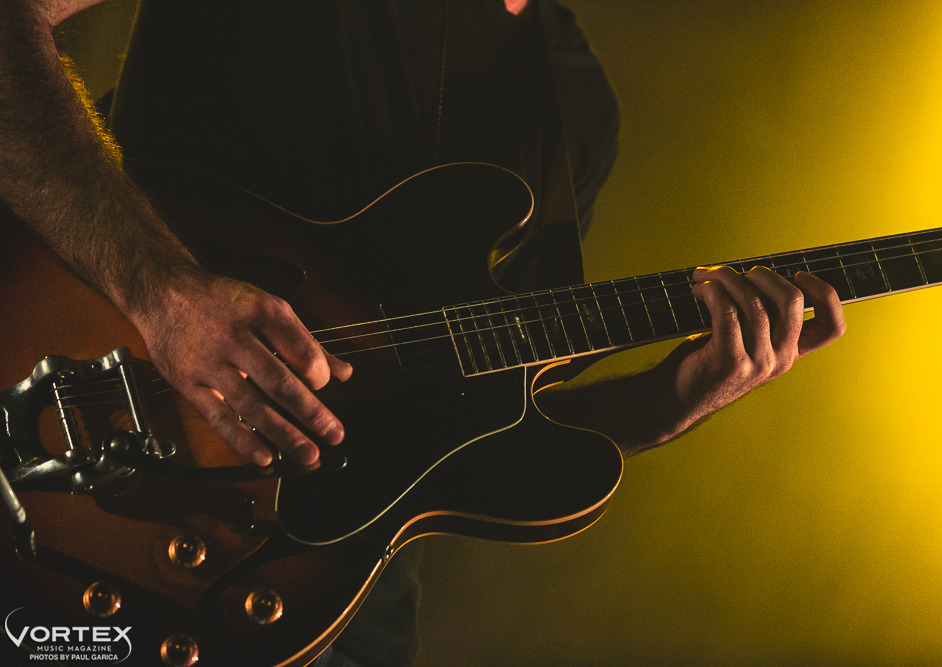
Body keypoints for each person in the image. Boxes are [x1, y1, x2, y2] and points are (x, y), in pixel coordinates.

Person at [0, 0, 846, 664]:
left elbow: (477, 434)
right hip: (78, 497)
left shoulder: (576, 106)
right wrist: (164, 293)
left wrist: (673, 399)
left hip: (333, 612)